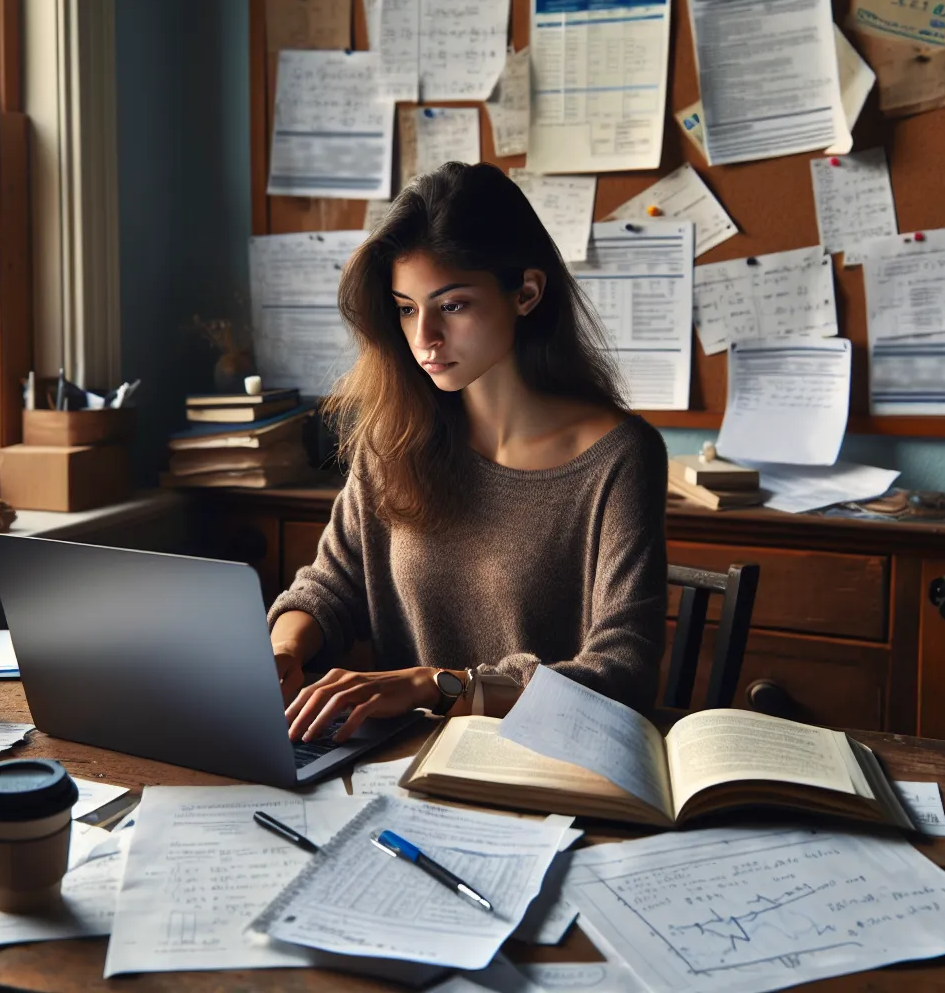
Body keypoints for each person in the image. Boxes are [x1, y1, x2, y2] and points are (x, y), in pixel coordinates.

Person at [273, 161, 668, 746]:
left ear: (527, 293)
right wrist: (282, 651)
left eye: (451, 305)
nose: (423, 337)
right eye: (406, 308)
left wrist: (443, 685)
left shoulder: (618, 458)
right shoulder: (393, 437)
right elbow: (329, 587)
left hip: (547, 766)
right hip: (400, 764)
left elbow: (622, 674)